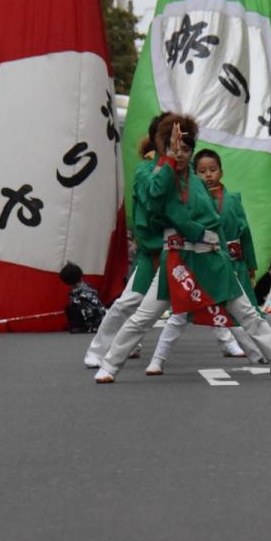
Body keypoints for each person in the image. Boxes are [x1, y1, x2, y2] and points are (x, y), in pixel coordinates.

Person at [94, 115, 271, 382]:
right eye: (173, 147)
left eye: (185, 149)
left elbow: (213, 222)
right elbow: (155, 202)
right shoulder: (151, 172)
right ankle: (109, 366)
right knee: (143, 317)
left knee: (248, 314)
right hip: (176, 260)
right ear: (162, 146)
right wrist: (169, 164)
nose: (179, 154)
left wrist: (223, 253)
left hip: (211, 259)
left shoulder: (196, 180)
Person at [146, 149, 265, 375]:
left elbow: (245, 233)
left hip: (228, 263)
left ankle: (258, 354)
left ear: (221, 171)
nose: (208, 175)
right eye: (202, 171)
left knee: (243, 313)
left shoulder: (233, 200)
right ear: (194, 173)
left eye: (212, 170)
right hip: (196, 261)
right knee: (180, 313)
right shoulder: (190, 198)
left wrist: (250, 263)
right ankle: (158, 358)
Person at [82, 113, 167, 368]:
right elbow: (148, 211)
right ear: (156, 140)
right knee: (128, 302)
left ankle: (256, 350)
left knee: (223, 299)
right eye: (166, 136)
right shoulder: (146, 172)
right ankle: (99, 349)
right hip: (156, 252)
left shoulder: (190, 173)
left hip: (187, 252)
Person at [61, 262, 104, 333]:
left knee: (71, 308)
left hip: (91, 318)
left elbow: (83, 308)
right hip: (100, 316)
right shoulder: (88, 287)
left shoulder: (76, 292)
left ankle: (82, 327)